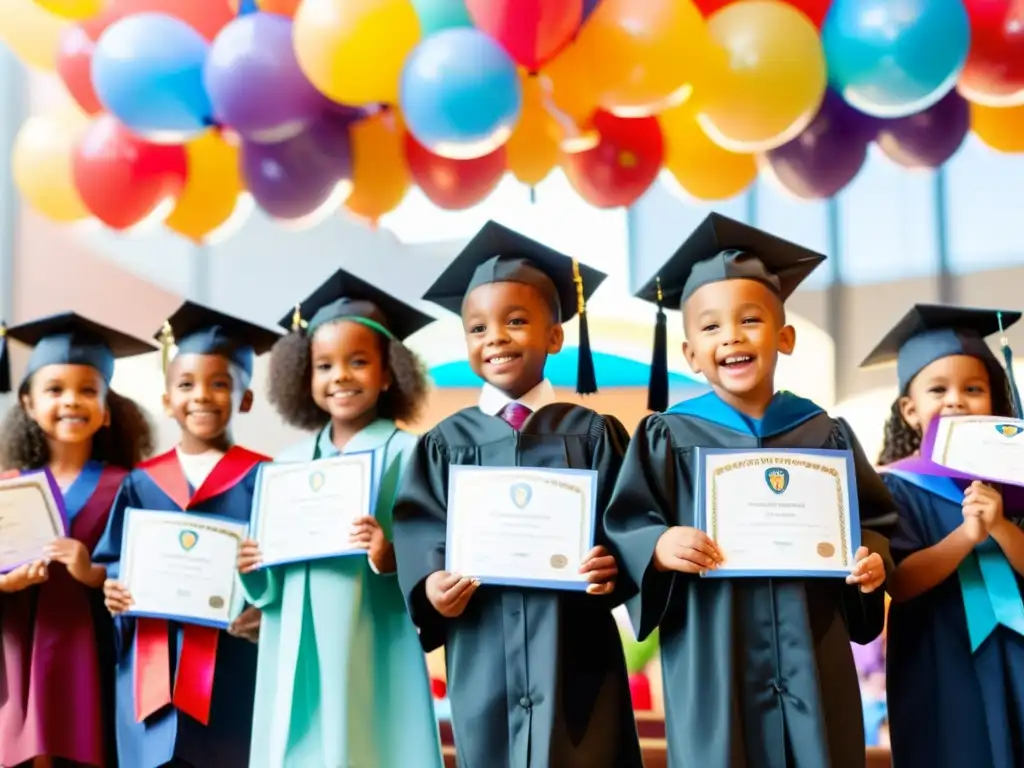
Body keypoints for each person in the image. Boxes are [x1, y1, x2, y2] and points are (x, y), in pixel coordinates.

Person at [603, 212, 897, 768]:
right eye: (710, 327)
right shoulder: (668, 436)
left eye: (750, 320)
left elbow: (877, 527)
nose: (731, 337)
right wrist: (659, 548)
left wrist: (872, 563)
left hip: (813, 655)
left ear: (784, 337)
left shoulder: (823, 431)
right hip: (716, 660)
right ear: (689, 353)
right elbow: (626, 528)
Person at [392, 221, 643, 768]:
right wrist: (431, 585)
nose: (496, 338)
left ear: (555, 337)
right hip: (483, 655)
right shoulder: (444, 443)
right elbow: (418, 530)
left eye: (515, 321)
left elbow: (630, 527)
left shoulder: (595, 433)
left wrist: (614, 566)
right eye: (477, 328)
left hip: (575, 654)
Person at [236, 269, 444, 768]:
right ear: (304, 378)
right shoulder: (284, 465)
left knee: (371, 746)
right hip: (292, 636)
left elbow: (434, 551)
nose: (340, 377)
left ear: (389, 372)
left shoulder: (410, 453)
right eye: (324, 366)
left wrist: (388, 554)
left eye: (358, 362)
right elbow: (267, 585)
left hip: (370, 632)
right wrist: (252, 568)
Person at [94, 302, 280, 768]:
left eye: (221, 383)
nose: (202, 396)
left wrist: (268, 610)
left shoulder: (267, 479)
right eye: (186, 384)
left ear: (246, 398)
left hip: (234, 665)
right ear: (166, 400)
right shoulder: (140, 482)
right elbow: (116, 562)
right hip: (151, 667)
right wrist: (114, 590)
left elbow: (284, 570)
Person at [864, 304, 1024, 767]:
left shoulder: (1014, 483)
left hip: (1014, 647)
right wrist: (968, 535)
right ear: (910, 411)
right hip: (940, 654)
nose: (955, 400)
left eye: (973, 389)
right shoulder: (894, 486)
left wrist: (1000, 527)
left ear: (994, 403)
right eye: (939, 389)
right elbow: (901, 581)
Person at [0, 312, 155, 768]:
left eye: (88, 390)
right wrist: (5, 584)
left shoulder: (130, 485)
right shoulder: (9, 488)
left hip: (90, 652)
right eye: (55, 390)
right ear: (28, 404)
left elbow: (142, 568)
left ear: (108, 409)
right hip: (18, 648)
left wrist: (91, 572)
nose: (72, 401)